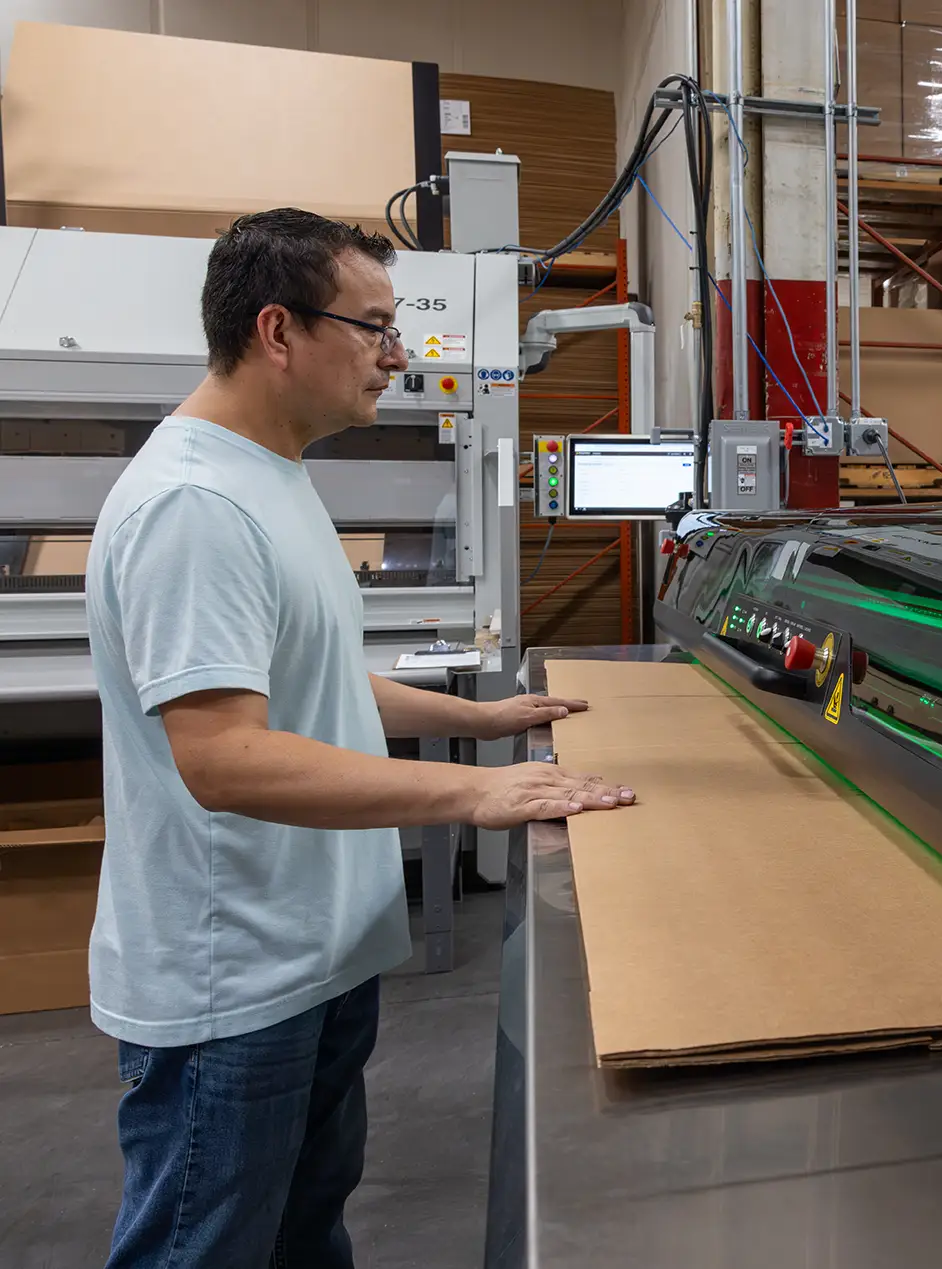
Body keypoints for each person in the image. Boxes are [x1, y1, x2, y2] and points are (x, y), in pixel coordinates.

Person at [84, 208, 634, 1268]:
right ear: (278, 331)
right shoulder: (194, 504)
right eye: (375, 326)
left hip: (315, 956)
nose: (398, 354)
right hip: (233, 985)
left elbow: (318, 682)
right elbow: (225, 758)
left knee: (304, 1233)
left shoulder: (272, 474)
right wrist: (474, 795)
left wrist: (486, 721)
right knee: (207, 1247)